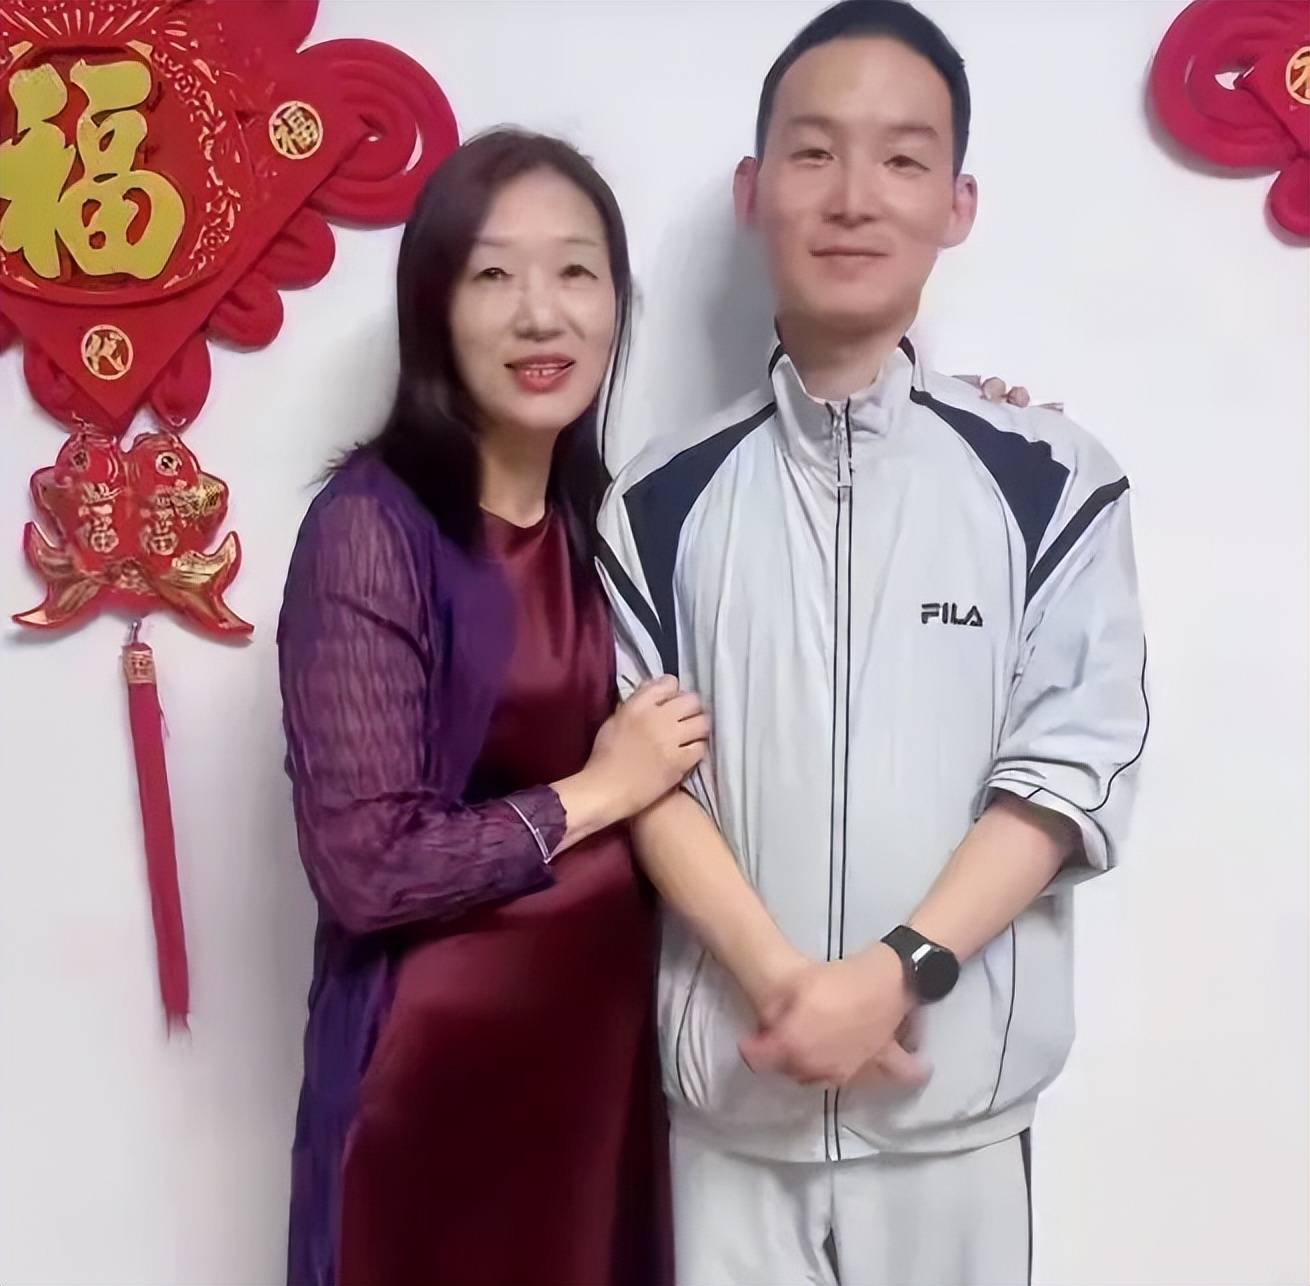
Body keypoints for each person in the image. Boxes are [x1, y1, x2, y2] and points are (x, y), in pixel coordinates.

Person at [597, 3, 1148, 1284]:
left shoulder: (1053, 480)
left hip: (951, 1127)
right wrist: (789, 987)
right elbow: (646, 778)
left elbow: (1067, 765)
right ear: (753, 190)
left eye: (901, 158)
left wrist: (895, 975)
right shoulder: (653, 501)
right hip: (732, 1113)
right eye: (813, 152)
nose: (852, 196)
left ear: (956, 204)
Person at [277, 130, 710, 1286]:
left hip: (592, 1081)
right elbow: (367, 868)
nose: (539, 314)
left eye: (574, 271)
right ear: (432, 308)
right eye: (492, 274)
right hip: (429, 1092)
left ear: (615, 304)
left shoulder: (611, 522)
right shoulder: (370, 526)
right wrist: (596, 791)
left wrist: (942, 419)